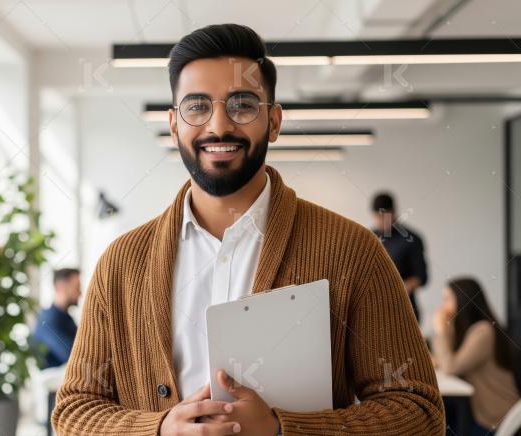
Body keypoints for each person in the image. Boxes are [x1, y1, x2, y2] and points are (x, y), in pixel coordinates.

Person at [52, 24, 444, 435]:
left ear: (273, 122)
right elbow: (74, 412)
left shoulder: (351, 250)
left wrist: (282, 428)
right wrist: (160, 428)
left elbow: (419, 413)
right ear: (173, 125)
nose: (218, 126)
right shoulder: (122, 262)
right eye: (197, 107)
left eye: (242, 106)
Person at [433, 277, 520, 435]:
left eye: (447, 299)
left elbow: (450, 367)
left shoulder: (483, 331)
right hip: (480, 414)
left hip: (497, 417)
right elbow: (445, 360)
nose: (443, 306)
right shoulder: (468, 330)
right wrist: (447, 329)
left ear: (462, 300)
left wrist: (440, 330)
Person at [371, 192, 428, 322]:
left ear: (394, 212)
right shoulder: (370, 238)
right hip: (375, 310)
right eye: (377, 218)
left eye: (384, 217)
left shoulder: (412, 239)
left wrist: (400, 288)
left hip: (405, 310)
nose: (381, 222)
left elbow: (422, 277)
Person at [33, 268, 81, 369]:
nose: (80, 293)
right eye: (77, 287)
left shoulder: (66, 318)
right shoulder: (48, 321)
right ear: (60, 287)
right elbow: (74, 357)